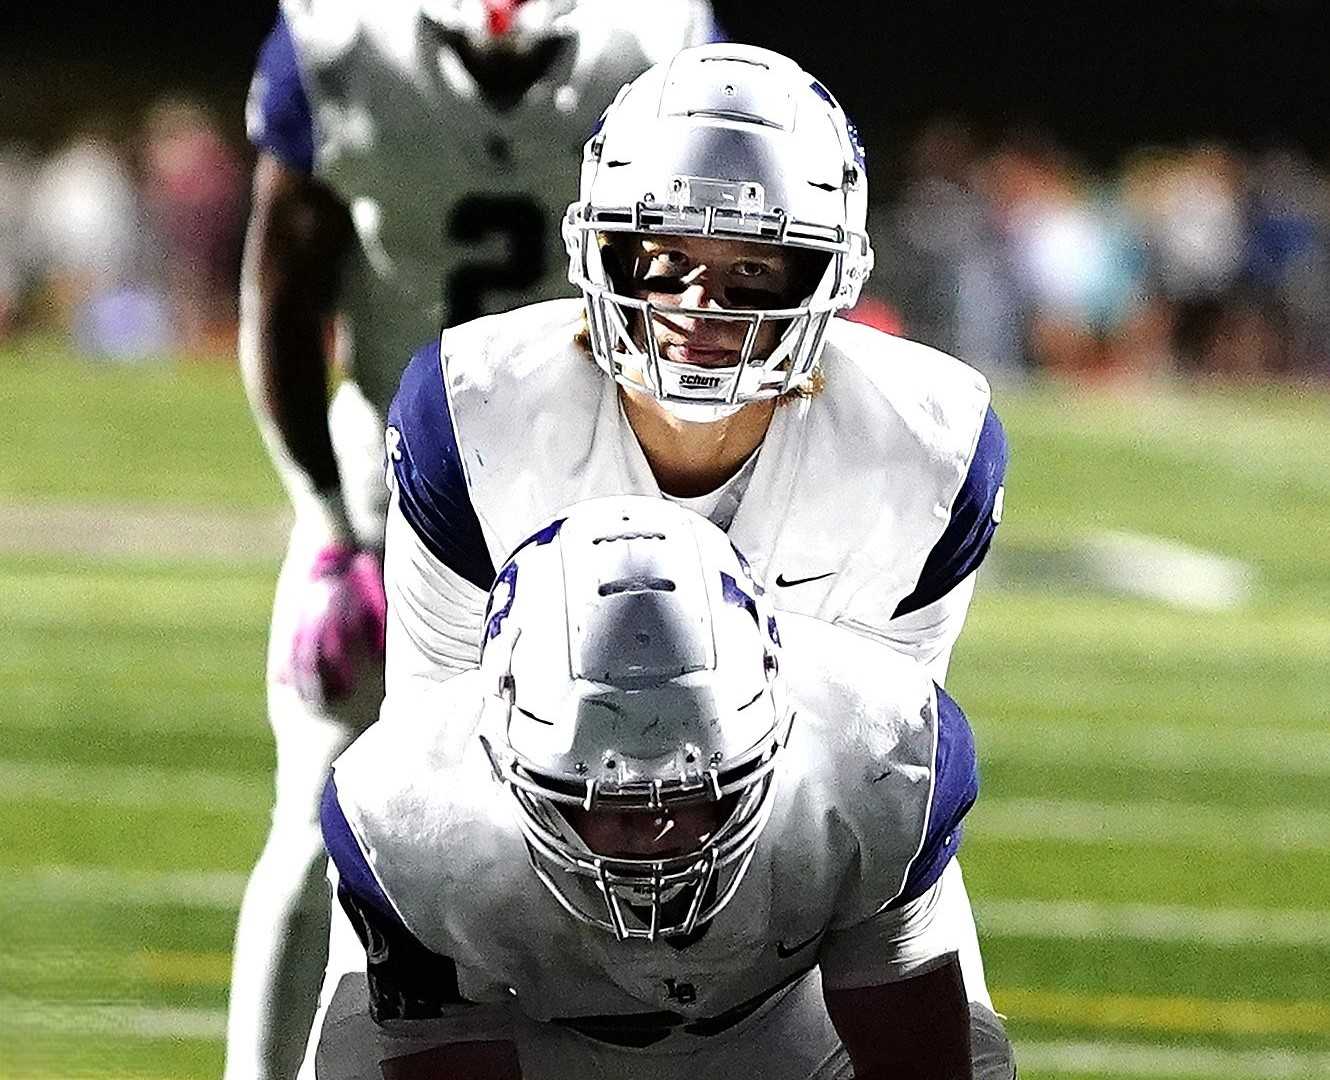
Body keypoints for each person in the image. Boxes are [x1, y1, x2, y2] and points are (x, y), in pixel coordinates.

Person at [378, 38, 1008, 1057]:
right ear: (601, 246)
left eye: (754, 267)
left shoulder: (928, 445)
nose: (698, 306)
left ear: (830, 272)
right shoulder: (474, 412)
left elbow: (874, 772)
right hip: (523, 866)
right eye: (661, 255)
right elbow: (430, 765)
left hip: (790, 884)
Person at [228, 3, 721, 1077]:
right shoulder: (338, 44)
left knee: (622, 849)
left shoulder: (655, 40)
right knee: (323, 822)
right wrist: (324, 525)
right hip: (396, 497)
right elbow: (279, 295)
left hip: (581, 506)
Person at [312, 495, 1015, 1078]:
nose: (655, 837)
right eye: (605, 804)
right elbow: (452, 1062)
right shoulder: (407, 816)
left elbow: (914, 1060)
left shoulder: (879, 755)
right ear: (506, 757)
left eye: (696, 795)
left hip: (793, 1021)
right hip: (535, 1036)